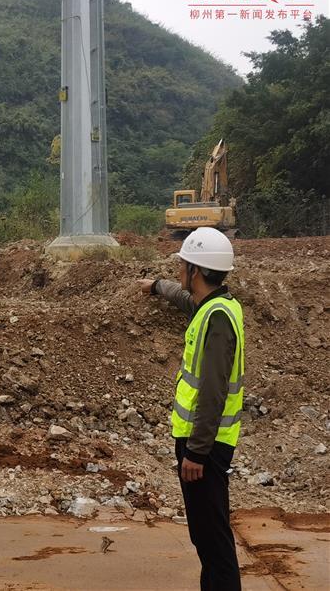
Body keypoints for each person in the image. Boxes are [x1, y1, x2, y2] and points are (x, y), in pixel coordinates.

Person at [138, 227, 244, 591]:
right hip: (205, 443)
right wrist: (155, 286)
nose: (178, 272)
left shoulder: (216, 320)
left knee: (213, 539)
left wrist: (196, 452)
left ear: (196, 271)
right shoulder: (216, 306)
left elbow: (213, 393)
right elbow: (184, 300)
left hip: (206, 447)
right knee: (206, 536)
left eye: (182, 266)